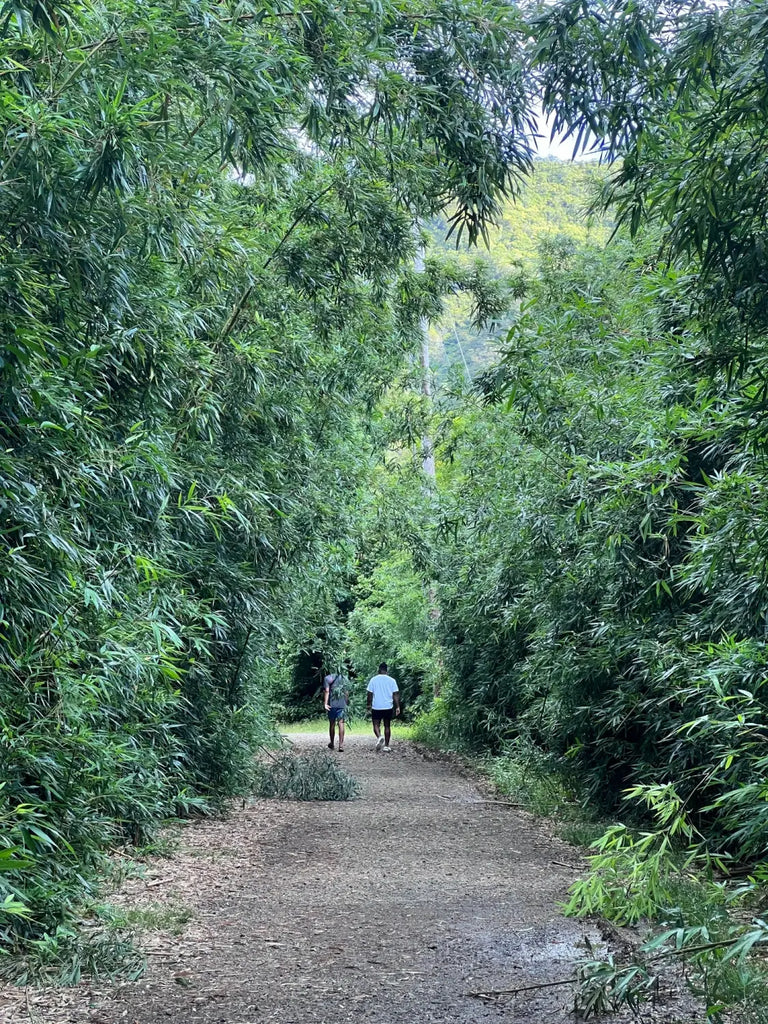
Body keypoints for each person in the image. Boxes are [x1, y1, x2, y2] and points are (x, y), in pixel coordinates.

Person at [366, 662, 400, 752]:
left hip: (376, 706)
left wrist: (368, 705)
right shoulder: (392, 680)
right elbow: (395, 694)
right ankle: (387, 746)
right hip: (388, 706)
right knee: (387, 725)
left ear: (379, 670)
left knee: (376, 724)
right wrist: (397, 707)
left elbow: (369, 694)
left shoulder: (373, 680)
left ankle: (379, 737)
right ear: (386, 670)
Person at [323, 670, 349, 752]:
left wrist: (325, 703)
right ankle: (341, 745)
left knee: (332, 723)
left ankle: (332, 743)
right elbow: (346, 692)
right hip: (342, 704)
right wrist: (346, 702)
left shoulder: (327, 678)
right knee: (341, 723)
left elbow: (327, 691)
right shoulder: (344, 678)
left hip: (332, 704)